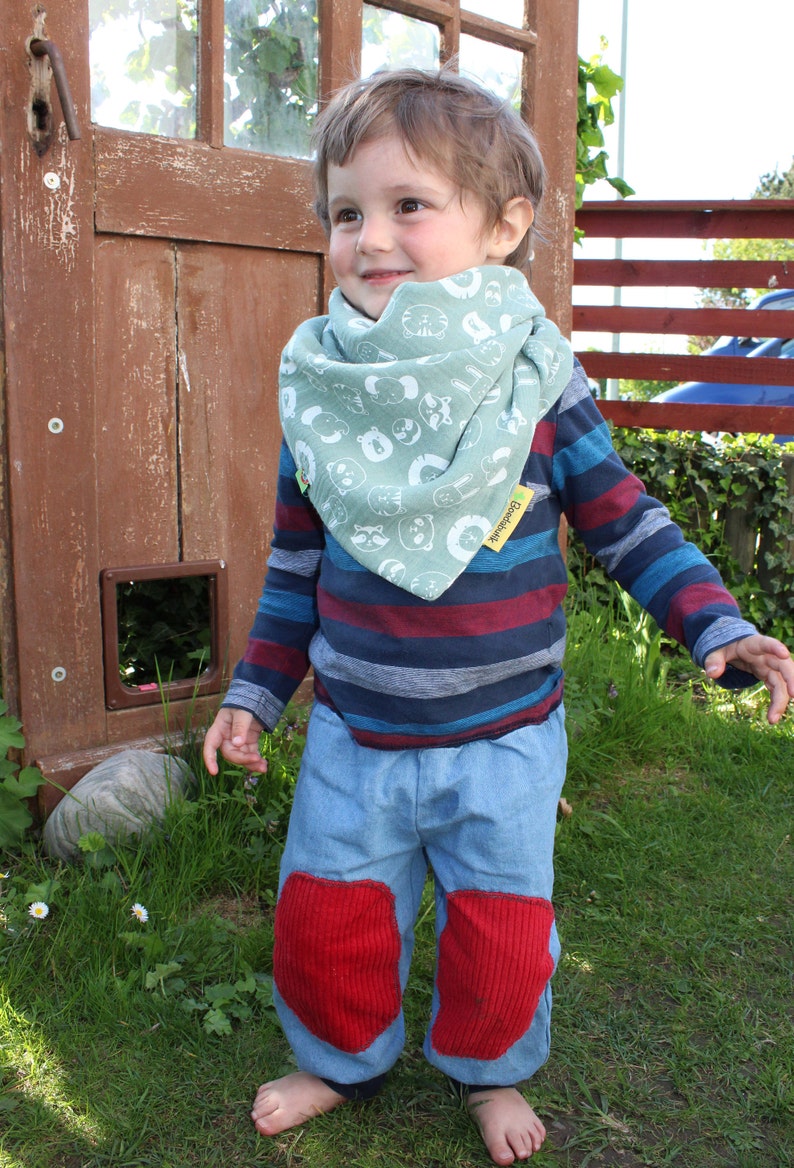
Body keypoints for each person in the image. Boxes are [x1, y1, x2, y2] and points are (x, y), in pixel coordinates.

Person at [203, 67, 794, 1165]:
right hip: (354, 733)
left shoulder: (534, 380)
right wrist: (256, 690)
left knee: (499, 931)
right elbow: (294, 565)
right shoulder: (324, 396)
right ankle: (338, 1057)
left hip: (507, 737)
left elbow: (623, 517)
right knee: (327, 918)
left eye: (407, 205)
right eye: (346, 211)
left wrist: (712, 623)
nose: (369, 236)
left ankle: (491, 1070)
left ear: (504, 225)